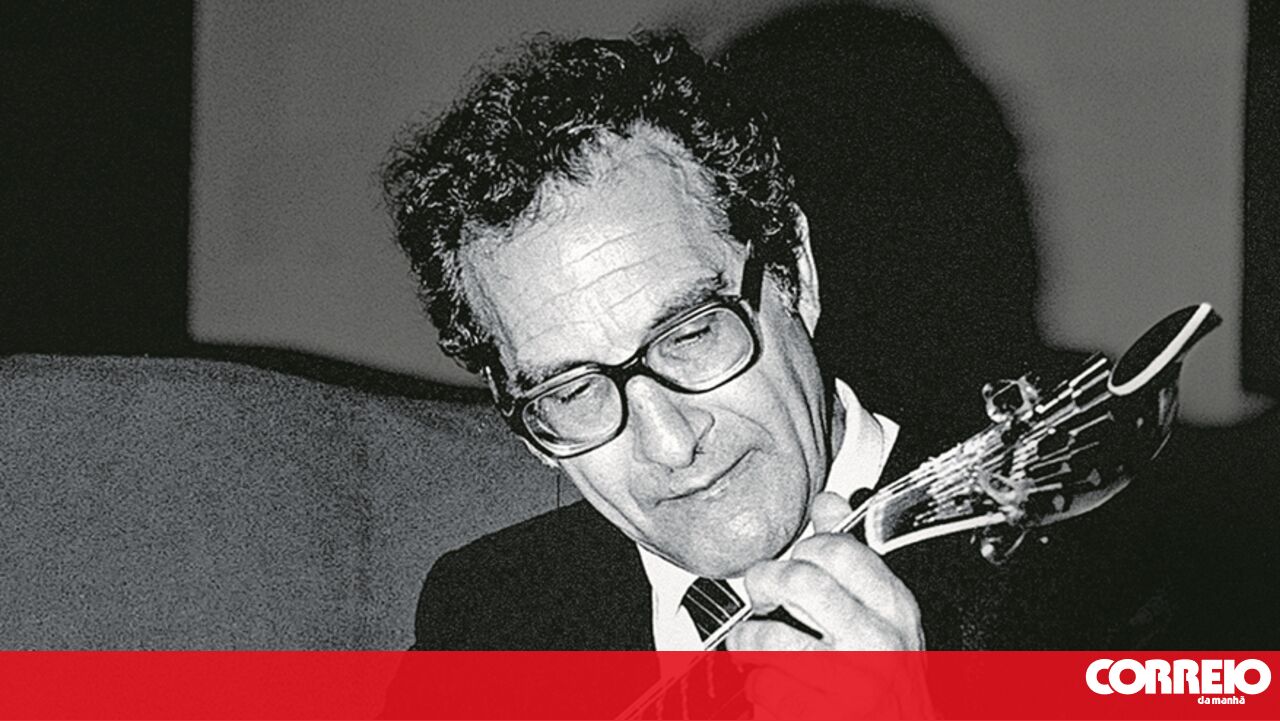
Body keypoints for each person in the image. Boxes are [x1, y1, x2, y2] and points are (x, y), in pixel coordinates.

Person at [381, 32, 932, 658]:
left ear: (794, 275)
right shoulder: (487, 618)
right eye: (574, 392)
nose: (671, 445)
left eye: (691, 333)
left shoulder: (1034, 588)